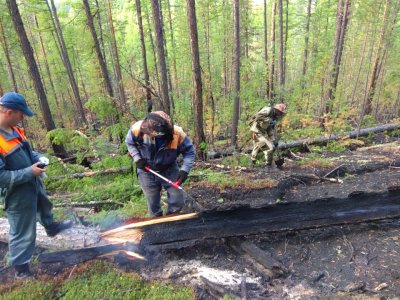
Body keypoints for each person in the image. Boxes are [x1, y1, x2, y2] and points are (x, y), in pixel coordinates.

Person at [0, 92, 72, 279]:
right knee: (22, 229)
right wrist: (29, 172)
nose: (23, 117)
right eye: (21, 114)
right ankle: (21, 270)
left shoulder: (14, 129)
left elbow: (27, 151)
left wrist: (38, 158)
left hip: (32, 182)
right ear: (9, 112)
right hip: (15, 192)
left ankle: (50, 226)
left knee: (43, 203)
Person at [126, 111, 195, 217]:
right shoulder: (137, 129)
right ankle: (156, 224)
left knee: (177, 198)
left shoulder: (177, 133)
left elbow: (189, 152)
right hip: (146, 170)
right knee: (153, 202)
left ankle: (172, 219)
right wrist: (137, 158)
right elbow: (129, 143)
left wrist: (184, 170)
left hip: (169, 168)